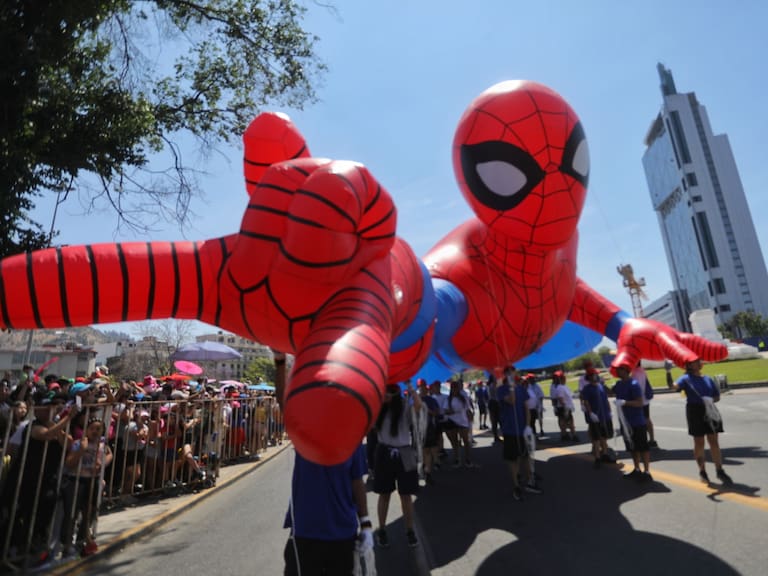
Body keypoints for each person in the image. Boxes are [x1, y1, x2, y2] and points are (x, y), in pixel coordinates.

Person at [284, 444, 372, 576]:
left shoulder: (352, 433)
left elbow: (357, 481)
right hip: (307, 532)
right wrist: (365, 524)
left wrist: (365, 524)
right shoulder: (304, 429)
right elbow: (357, 482)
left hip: (339, 533)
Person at [669, 358, 733, 485]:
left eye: (699, 361)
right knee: (699, 442)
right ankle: (702, 471)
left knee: (714, 440)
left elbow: (717, 396)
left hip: (709, 409)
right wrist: (668, 372)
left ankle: (719, 470)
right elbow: (673, 387)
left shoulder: (707, 378)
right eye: (695, 361)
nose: (699, 363)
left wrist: (710, 400)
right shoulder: (685, 378)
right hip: (694, 411)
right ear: (689, 365)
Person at [373, 381, 421, 548]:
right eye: (385, 391)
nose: (385, 394)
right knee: (384, 494)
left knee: (406, 495)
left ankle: (409, 531)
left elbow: (418, 405)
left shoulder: (404, 407)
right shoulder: (378, 408)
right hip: (384, 452)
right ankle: (382, 530)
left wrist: (410, 386)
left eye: (389, 392)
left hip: (405, 452)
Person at [497, 366, 540, 500]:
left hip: (522, 429)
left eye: (512, 371)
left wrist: (528, 426)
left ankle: (529, 481)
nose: (510, 373)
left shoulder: (522, 389)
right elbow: (512, 400)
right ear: (505, 374)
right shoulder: (500, 390)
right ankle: (516, 484)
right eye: (508, 372)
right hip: (509, 429)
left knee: (525, 456)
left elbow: (526, 408)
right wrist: (510, 387)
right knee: (513, 458)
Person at [613, 363, 652, 481]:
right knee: (632, 447)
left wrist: (625, 403)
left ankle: (647, 471)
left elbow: (639, 403)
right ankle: (636, 469)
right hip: (626, 423)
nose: (618, 372)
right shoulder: (619, 384)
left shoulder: (634, 384)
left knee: (643, 447)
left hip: (637, 422)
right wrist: (600, 382)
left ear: (627, 371)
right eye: (617, 370)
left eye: (620, 370)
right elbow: (610, 392)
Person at [579, 368, 614, 469]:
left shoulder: (600, 386)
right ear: (590, 377)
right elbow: (586, 402)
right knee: (596, 438)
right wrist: (591, 413)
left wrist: (609, 411)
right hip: (595, 416)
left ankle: (605, 454)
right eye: (595, 375)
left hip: (604, 415)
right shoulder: (587, 388)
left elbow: (606, 398)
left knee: (604, 436)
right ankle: (597, 458)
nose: (597, 376)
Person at [443, 379, 477, 468]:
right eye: (453, 388)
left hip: (463, 421)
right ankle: (457, 459)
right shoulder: (448, 399)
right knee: (455, 442)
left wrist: (471, 418)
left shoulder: (463, 398)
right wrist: (452, 412)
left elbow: (468, 409)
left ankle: (467, 459)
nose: (454, 389)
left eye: (456, 387)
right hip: (452, 421)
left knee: (466, 441)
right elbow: (445, 411)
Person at [632, 361, 658, 448]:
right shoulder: (642, 370)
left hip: (638, 400)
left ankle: (643, 439)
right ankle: (652, 439)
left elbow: (636, 387)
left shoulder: (635, 372)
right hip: (645, 400)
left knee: (640, 420)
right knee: (647, 419)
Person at [550, 371, 577, 441]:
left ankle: (567, 434)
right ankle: (567, 434)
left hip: (567, 406)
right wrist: (558, 407)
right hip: (563, 407)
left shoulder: (564, 386)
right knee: (565, 421)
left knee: (567, 421)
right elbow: (558, 398)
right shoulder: (557, 387)